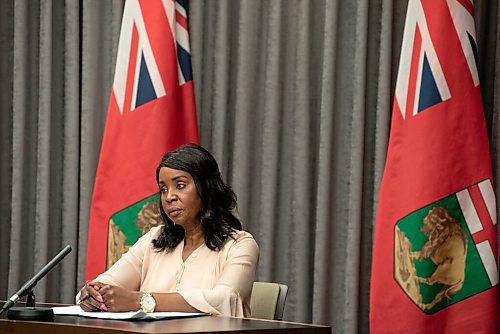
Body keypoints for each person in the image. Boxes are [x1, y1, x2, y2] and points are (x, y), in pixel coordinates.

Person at [77, 144, 259, 317]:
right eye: (163, 189)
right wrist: (92, 294)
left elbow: (225, 299)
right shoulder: (153, 240)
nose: (169, 197)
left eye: (180, 186)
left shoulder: (239, 244)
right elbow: (105, 284)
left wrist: (141, 300)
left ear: (206, 188)